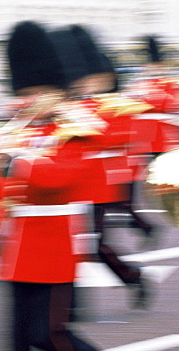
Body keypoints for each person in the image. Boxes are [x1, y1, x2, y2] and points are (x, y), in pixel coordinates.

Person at [0, 21, 120, 351]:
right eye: (25, 93)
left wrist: (15, 162)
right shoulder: (19, 131)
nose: (29, 101)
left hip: (54, 241)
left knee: (47, 331)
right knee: (15, 339)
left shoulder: (76, 131)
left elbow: (58, 178)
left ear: (59, 92)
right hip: (16, 243)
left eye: (38, 93)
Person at [61, 25, 153, 309]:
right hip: (71, 184)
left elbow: (118, 137)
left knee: (95, 245)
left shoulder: (117, 105)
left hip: (100, 185)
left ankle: (132, 276)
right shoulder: (72, 105)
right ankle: (70, 304)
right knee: (70, 246)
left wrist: (85, 126)